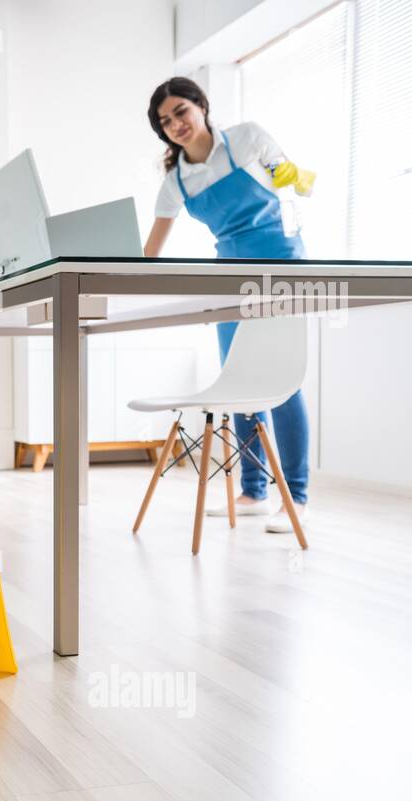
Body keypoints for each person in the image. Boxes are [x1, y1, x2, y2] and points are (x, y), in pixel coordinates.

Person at [142, 76, 311, 533]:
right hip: (230, 275)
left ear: (201, 106)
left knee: (282, 382)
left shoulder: (248, 138)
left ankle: (296, 497)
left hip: (281, 265)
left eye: (181, 111)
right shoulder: (176, 181)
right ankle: (254, 492)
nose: (175, 124)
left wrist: (301, 182)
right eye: (165, 121)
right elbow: (149, 254)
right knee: (239, 382)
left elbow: (291, 185)